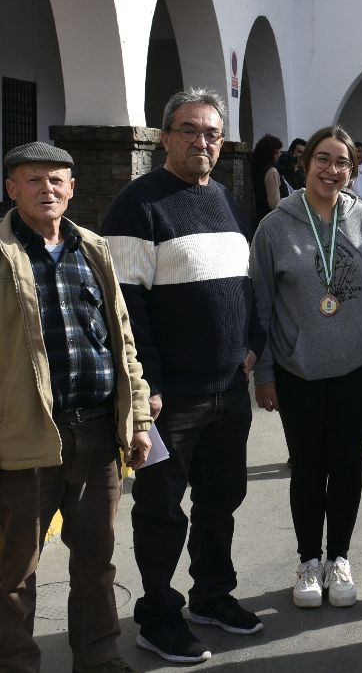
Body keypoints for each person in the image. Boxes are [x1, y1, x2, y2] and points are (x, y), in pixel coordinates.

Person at [0, 142, 153, 673]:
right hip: (25, 438)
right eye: (34, 181)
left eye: (57, 180)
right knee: (17, 571)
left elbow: (122, 342)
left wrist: (139, 418)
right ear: (12, 189)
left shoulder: (94, 249)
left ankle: (99, 659)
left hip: (98, 433)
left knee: (96, 562)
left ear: (72, 188)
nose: (48, 189)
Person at [101, 90, 268, 664]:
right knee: (161, 510)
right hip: (170, 399)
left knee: (221, 499)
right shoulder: (137, 205)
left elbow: (241, 283)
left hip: (227, 389)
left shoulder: (222, 196)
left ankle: (211, 596)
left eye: (212, 134)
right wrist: (146, 385)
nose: (202, 143)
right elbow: (124, 305)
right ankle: (157, 615)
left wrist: (251, 344)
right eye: (189, 131)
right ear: (164, 136)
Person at [250, 125, 362, 610]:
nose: (332, 170)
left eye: (342, 163)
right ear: (305, 163)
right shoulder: (275, 226)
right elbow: (262, 304)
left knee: (347, 466)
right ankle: (310, 560)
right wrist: (264, 372)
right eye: (323, 160)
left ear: (352, 171)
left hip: (356, 365)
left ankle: (340, 558)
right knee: (308, 467)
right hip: (299, 369)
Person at [249, 134, 285, 224]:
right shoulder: (271, 171)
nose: (279, 155)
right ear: (272, 152)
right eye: (278, 152)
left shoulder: (258, 168)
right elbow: (275, 204)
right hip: (272, 221)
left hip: (262, 217)